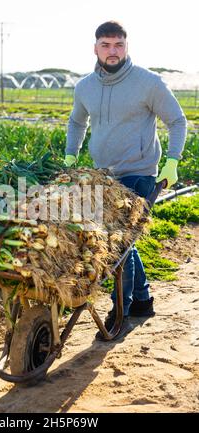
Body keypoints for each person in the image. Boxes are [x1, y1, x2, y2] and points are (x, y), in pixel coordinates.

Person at [64, 21, 187, 333]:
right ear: (96, 48)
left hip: (139, 172)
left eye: (118, 45)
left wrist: (172, 162)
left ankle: (122, 310)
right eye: (106, 45)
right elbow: (77, 122)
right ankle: (142, 300)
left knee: (117, 245)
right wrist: (70, 153)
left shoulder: (148, 83)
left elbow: (177, 120)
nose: (112, 51)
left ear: (126, 46)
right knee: (126, 243)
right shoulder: (85, 87)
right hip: (103, 176)